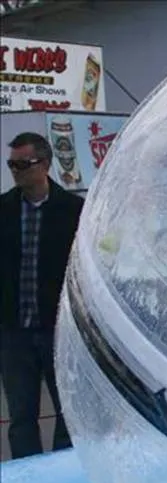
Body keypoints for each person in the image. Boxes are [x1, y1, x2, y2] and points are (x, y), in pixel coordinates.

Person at [1, 132, 83, 458]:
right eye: (11, 164)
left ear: (45, 165)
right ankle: (27, 476)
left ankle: (61, 473)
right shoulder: (3, 209)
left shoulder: (74, 210)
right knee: (21, 416)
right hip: (13, 332)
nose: (16, 171)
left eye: (23, 164)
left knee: (68, 411)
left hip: (57, 330)